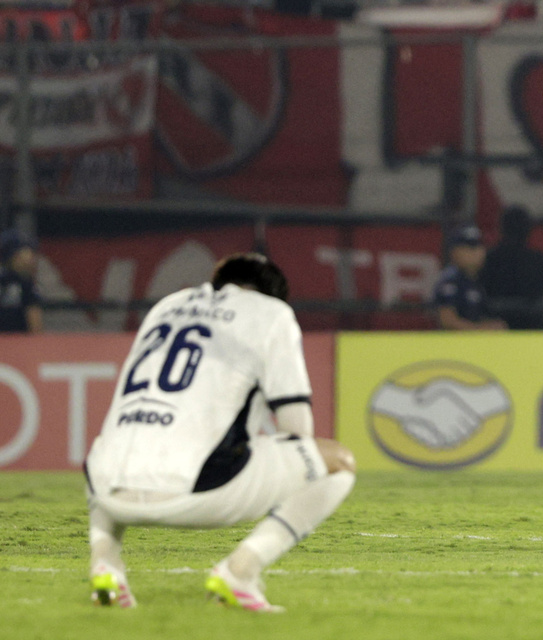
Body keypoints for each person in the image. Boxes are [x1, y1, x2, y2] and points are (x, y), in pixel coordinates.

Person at [84, 253, 356, 611]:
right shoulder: (271, 313)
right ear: (272, 294)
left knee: (113, 445)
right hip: (199, 490)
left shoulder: (166, 306)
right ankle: (241, 572)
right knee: (337, 463)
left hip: (106, 490)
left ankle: (104, 561)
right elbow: (297, 429)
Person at [479, 207, 543, 329]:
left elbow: (480, 289)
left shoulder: (489, 258)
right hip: (531, 327)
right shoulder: (538, 259)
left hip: (498, 327)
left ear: (501, 228)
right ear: (528, 229)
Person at [433, 225, 507, 330]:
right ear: (454, 251)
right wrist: (481, 330)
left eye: (479, 246)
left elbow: (477, 317)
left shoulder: (477, 280)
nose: (477, 252)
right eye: (470, 248)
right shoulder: (450, 280)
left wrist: (491, 325)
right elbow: (448, 322)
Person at [0, 229, 42, 333]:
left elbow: (34, 316)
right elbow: (35, 325)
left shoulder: (26, 283)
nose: (32, 259)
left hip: (18, 339)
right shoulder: (24, 282)